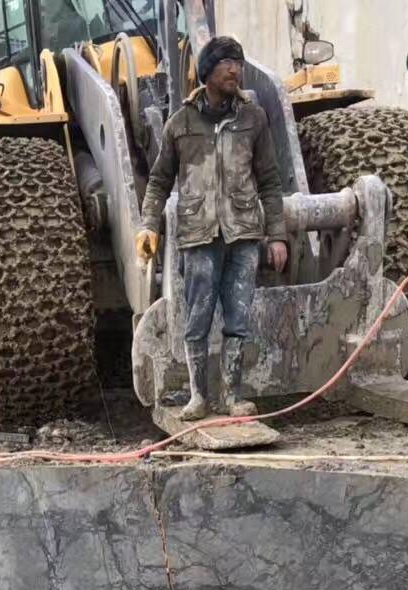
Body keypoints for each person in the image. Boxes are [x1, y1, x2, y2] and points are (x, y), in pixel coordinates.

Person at [135, 35, 287, 420]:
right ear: (207, 71)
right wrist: (148, 225)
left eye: (239, 63)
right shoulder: (180, 123)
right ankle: (198, 396)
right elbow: (158, 182)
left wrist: (278, 235)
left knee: (239, 319)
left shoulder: (254, 119)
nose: (235, 70)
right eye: (226, 63)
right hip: (198, 236)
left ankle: (232, 396)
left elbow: (270, 182)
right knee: (197, 320)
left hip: (243, 236)